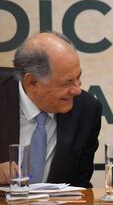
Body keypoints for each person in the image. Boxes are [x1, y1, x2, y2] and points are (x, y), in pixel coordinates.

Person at [0, 32, 102, 187]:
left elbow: (80, 185)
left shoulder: (86, 110)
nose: (77, 90)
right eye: (67, 83)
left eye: (78, 77)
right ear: (32, 82)